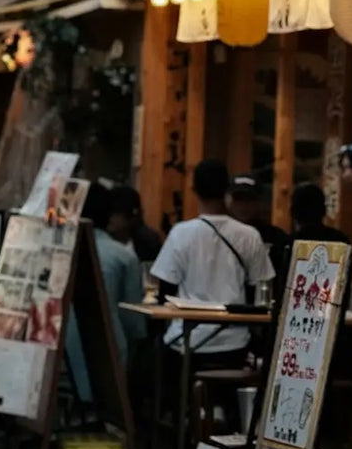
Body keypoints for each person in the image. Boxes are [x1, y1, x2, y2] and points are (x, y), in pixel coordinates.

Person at [151, 158, 275, 371]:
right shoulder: (249, 235)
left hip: (186, 341)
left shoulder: (181, 233)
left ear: (194, 190)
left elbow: (166, 291)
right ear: (227, 190)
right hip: (234, 342)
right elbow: (261, 288)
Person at [66, 181, 145, 405]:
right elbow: (133, 320)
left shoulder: (56, 251)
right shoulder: (123, 257)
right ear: (108, 215)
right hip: (108, 354)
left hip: (58, 359)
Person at [227, 174, 287, 258]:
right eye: (238, 199)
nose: (243, 205)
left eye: (249, 199)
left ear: (259, 202)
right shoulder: (219, 235)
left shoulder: (275, 238)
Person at [107, 183, 162, 265]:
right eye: (108, 212)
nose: (110, 217)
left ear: (131, 216)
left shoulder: (148, 243)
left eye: (116, 213)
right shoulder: (101, 241)